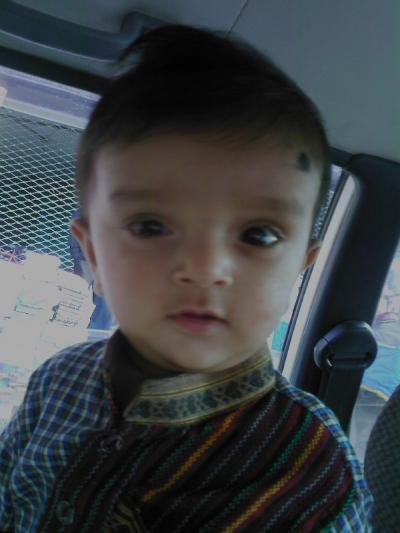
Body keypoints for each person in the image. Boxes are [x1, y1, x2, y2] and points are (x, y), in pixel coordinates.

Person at [0, 25, 372, 532]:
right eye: (149, 226)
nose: (204, 269)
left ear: (298, 269)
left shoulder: (308, 472)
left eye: (259, 235)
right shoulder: (56, 380)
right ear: (92, 258)